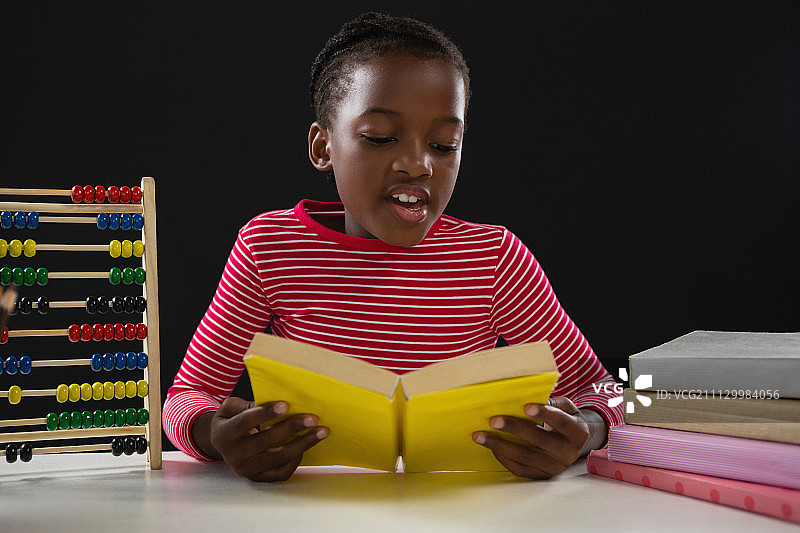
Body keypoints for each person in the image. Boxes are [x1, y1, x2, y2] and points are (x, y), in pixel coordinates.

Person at [163, 11, 623, 482]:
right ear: (323, 148)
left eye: (444, 144)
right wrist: (214, 435)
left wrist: (584, 431)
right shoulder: (269, 247)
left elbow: (609, 391)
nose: (418, 164)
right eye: (381, 138)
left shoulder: (494, 258)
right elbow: (185, 397)